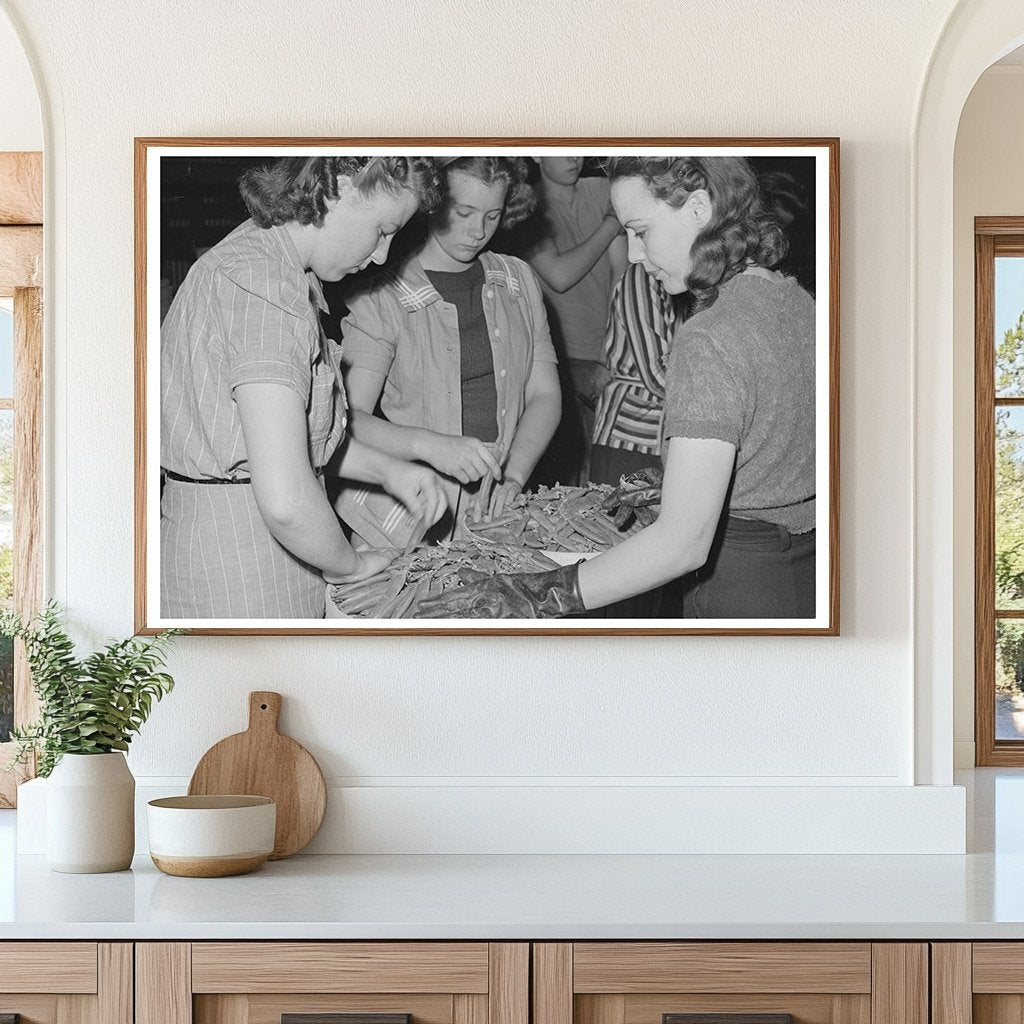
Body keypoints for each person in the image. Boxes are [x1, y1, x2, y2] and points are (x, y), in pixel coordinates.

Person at [416, 155, 817, 620]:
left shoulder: (710, 336)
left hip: (741, 578)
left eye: (641, 231)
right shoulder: (794, 300)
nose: (632, 254)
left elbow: (682, 545)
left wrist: (534, 595)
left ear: (699, 209)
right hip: (802, 566)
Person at [161, 156, 448, 619]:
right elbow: (288, 501)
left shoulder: (260, 257)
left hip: (248, 544)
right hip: (243, 562)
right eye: (382, 230)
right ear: (338, 186)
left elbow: (277, 443)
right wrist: (350, 566)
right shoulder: (263, 287)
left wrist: (388, 471)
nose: (381, 255)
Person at [338, 156, 561, 544]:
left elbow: (544, 394)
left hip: (497, 514)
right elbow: (346, 421)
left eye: (492, 215)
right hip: (407, 517)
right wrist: (430, 444)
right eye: (464, 212)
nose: (478, 231)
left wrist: (514, 475)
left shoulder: (519, 281)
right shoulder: (381, 299)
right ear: (432, 202)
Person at [525, 156, 627, 482]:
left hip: (610, 352)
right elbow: (559, 275)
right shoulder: (525, 204)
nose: (575, 156)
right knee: (568, 476)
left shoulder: (602, 189)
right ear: (537, 153)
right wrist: (612, 224)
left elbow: (621, 275)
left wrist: (611, 348)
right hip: (558, 360)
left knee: (608, 472)